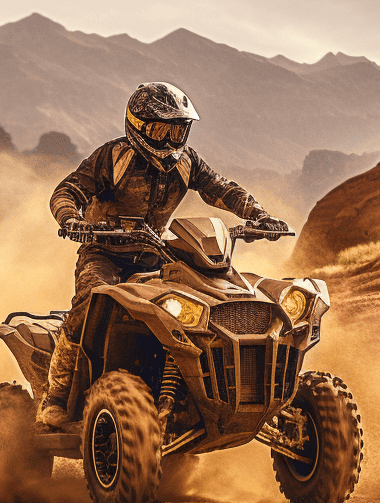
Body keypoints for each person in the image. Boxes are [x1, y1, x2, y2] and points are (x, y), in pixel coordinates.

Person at [37, 82, 289, 432]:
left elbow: (221, 188)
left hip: (158, 255)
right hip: (105, 253)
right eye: (161, 130)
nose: (171, 141)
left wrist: (257, 214)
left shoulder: (187, 161)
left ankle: (207, 390)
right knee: (86, 304)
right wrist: (71, 219)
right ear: (138, 127)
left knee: (206, 306)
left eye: (178, 130)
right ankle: (56, 395)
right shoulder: (113, 157)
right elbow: (68, 190)